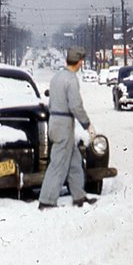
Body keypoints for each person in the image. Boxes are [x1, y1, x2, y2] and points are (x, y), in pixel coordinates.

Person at [38, 46, 98, 210]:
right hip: (64, 124)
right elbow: (75, 105)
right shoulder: (71, 79)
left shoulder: (57, 77)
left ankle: (79, 196)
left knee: (74, 162)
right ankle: (47, 200)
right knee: (58, 163)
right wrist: (87, 124)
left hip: (56, 121)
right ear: (79, 62)